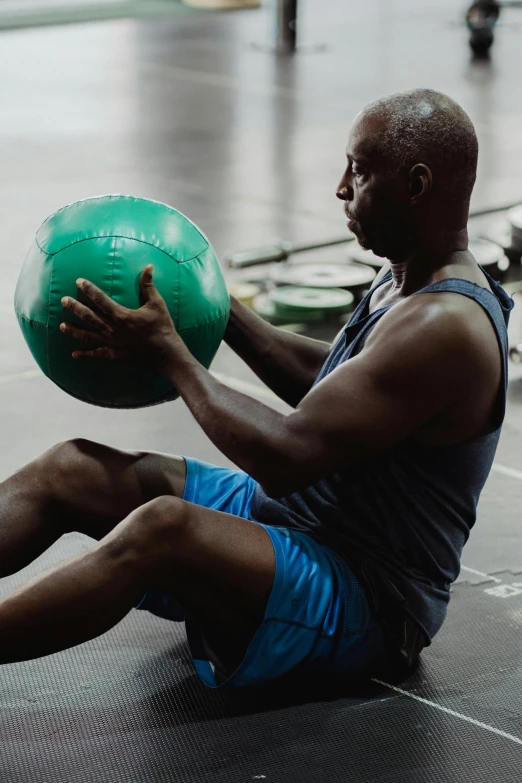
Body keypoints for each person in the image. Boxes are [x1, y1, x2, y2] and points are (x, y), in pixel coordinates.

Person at [0, 88, 513, 688]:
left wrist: (170, 352)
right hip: (291, 524)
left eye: (361, 171)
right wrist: (211, 302)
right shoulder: (404, 277)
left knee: (162, 527)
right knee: (71, 468)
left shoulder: (443, 326)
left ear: (417, 184)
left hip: (366, 596)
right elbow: (334, 386)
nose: (342, 188)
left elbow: (286, 457)